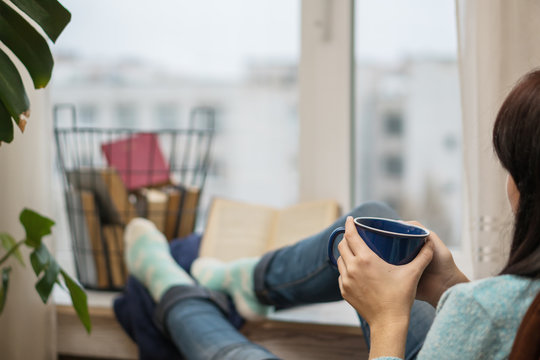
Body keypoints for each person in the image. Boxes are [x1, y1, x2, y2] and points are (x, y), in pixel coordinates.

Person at [123, 69, 540, 360]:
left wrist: (387, 320)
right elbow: (498, 336)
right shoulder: (494, 306)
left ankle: (168, 283)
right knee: (367, 221)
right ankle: (244, 282)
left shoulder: (489, 308)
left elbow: (492, 322)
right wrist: (452, 287)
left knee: (237, 354)